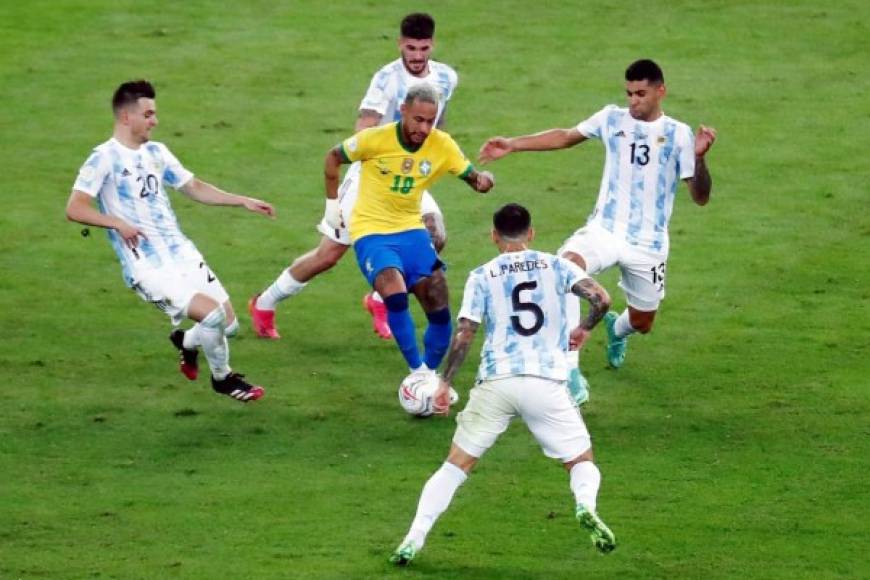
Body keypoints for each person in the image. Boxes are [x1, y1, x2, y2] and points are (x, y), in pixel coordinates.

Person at [389, 203, 615, 566]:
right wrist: (585, 328)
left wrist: (445, 384)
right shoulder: (558, 265)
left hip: (496, 382)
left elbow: (465, 333)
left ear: (494, 236)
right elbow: (602, 298)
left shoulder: (483, 274)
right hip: (546, 383)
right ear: (532, 233)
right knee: (579, 460)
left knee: (454, 466)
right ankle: (585, 506)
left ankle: (412, 540)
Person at [479, 59, 717, 371]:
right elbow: (565, 136)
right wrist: (513, 144)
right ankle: (568, 365)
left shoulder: (679, 134)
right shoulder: (611, 118)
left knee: (643, 322)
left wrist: (698, 159)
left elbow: (700, 197)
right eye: (629, 93)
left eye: (640, 94)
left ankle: (617, 330)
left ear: (661, 91)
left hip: (649, 243)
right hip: (605, 229)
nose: (632, 101)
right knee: (567, 268)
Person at [250, 12, 458, 341]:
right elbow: (363, 126)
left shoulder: (446, 77)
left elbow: (438, 123)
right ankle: (264, 303)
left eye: (423, 48)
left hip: (408, 179)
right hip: (372, 176)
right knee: (329, 255)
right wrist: (386, 144)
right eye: (411, 48)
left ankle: (379, 300)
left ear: (432, 45)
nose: (417, 56)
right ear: (400, 44)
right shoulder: (386, 79)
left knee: (434, 234)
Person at [65, 80, 274, 403]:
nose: (155, 121)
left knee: (228, 326)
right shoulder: (103, 158)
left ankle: (187, 343)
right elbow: (75, 207)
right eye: (148, 114)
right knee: (212, 317)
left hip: (182, 253)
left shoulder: (156, 153)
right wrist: (117, 223)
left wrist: (241, 200)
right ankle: (223, 378)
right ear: (125, 117)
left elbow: (195, 187)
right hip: (148, 266)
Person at [323, 83, 493, 377]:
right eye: (418, 119)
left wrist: (484, 180)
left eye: (430, 121)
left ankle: (428, 373)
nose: (424, 128)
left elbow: (473, 178)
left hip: (411, 230)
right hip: (371, 231)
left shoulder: (442, 145)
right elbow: (333, 157)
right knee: (395, 292)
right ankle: (416, 372)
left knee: (439, 302)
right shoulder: (375, 139)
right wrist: (331, 204)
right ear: (403, 111)